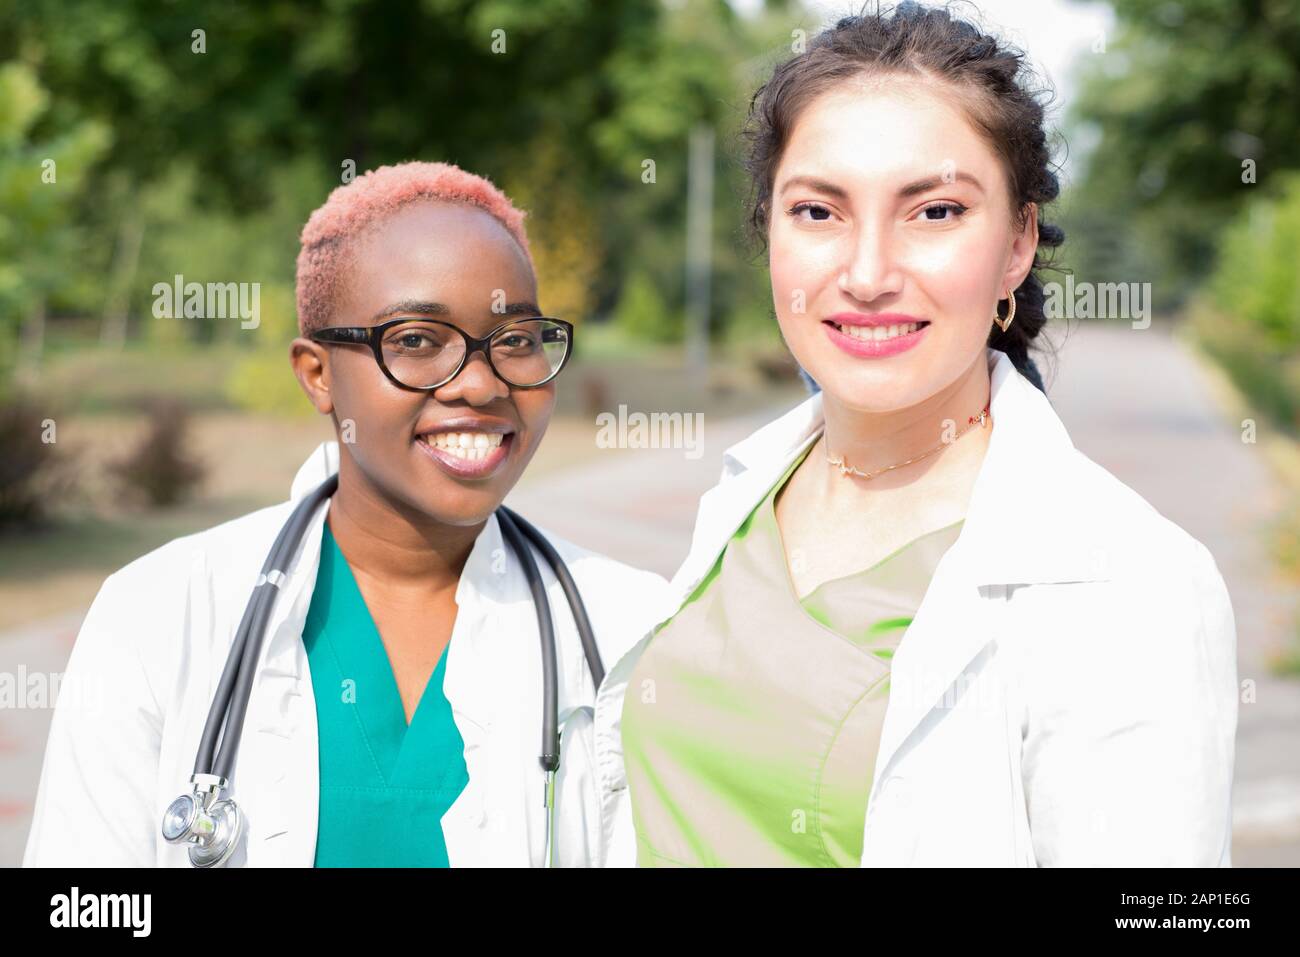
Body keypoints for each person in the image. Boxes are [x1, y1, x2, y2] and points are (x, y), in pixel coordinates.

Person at [593, 3, 1238, 867]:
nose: (866, 275)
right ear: (770, 235)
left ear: (1017, 244)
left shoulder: (1130, 582)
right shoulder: (747, 494)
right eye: (818, 212)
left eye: (933, 212)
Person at [23, 160, 670, 867]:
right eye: (418, 340)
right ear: (317, 374)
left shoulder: (633, 632)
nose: (482, 383)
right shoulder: (157, 614)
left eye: (515, 339)